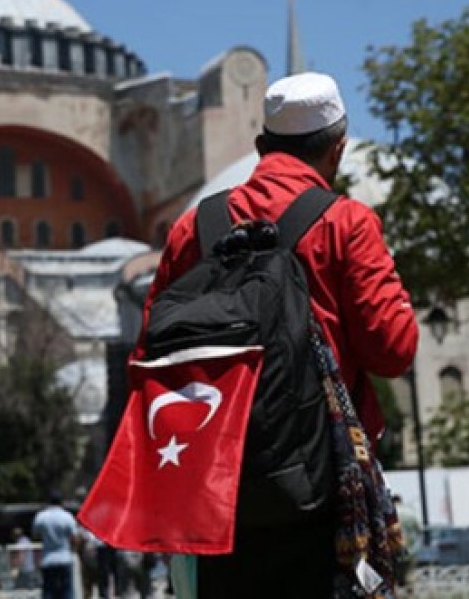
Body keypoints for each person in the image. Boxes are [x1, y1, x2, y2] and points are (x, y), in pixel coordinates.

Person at [139, 71, 418, 596]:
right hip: (320, 488)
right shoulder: (347, 223)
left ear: (261, 146)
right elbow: (393, 351)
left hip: (214, 488)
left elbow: (149, 349)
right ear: (337, 149)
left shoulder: (192, 227)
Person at [31, 491, 78, 599]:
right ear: (61, 502)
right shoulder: (67, 517)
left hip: (47, 558)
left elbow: (35, 535)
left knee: (48, 590)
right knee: (67, 590)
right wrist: (73, 549)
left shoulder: (41, 517)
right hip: (64, 558)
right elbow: (74, 538)